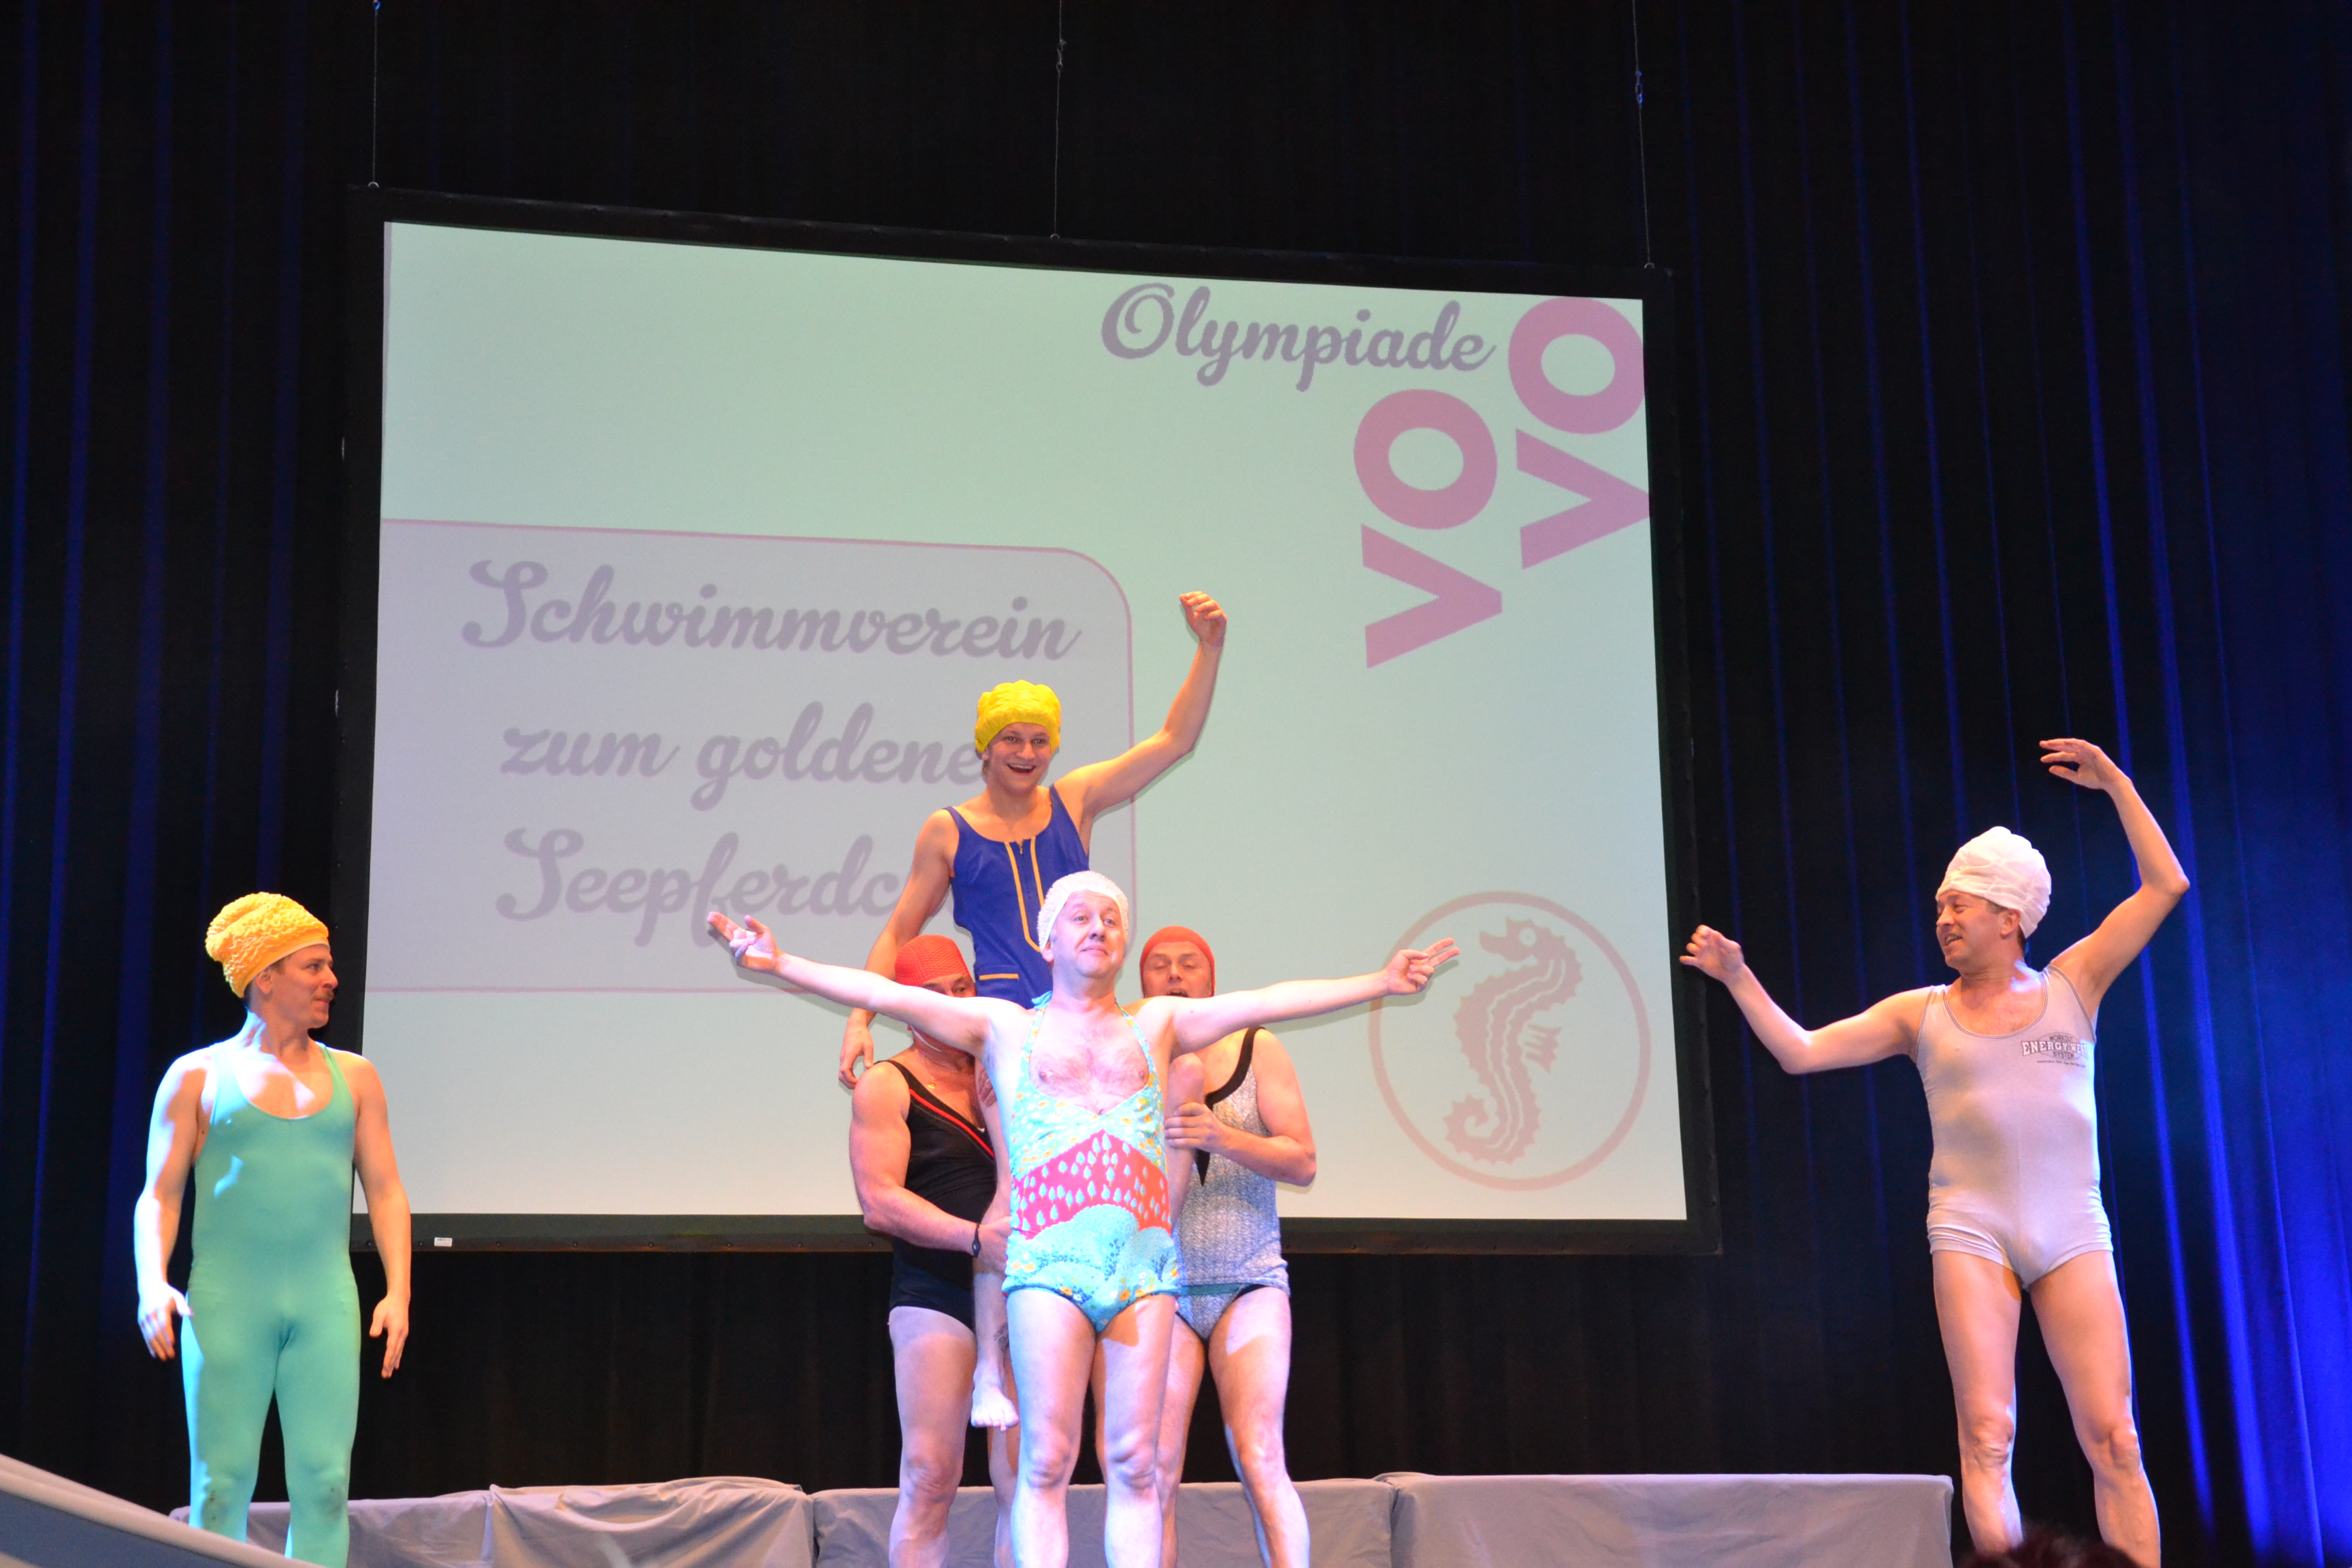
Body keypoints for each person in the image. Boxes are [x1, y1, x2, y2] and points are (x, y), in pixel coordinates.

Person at [713, 873, 1454, 1568]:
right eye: (1080, 918)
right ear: (1047, 941)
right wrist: (781, 963)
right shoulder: (1005, 1027)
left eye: (1110, 920)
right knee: (1046, 1461)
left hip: (1142, 1269)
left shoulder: (1158, 1023)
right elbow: (881, 991)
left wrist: (1380, 982)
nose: (1097, 928)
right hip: (1047, 1268)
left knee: (1135, 1462)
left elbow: (1270, 1000)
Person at [1681, 739, 2183, 1568]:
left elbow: (2165, 886)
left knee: (2117, 1437)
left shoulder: (2074, 985)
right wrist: (1738, 977)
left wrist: (2118, 785)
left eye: (1960, 905)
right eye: (1940, 906)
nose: (1943, 919)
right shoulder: (1920, 1014)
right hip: (1972, 1231)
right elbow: (1801, 1052)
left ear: (2009, 918)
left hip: (2072, 1231)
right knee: (1986, 1435)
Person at [837, 591, 1230, 1089]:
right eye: (1012, 739)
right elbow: (898, 933)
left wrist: (1210, 648)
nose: (1026, 753)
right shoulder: (948, 829)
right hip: (1004, 1033)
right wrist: (859, 1020)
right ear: (986, 747)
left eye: (1040, 741)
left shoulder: (1074, 799)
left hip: (1086, 1021)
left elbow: (1174, 740)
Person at [133, 895, 414, 1568]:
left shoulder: (356, 1078)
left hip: (325, 1306)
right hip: (227, 1305)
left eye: (330, 966)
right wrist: (152, 1283)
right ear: (265, 977)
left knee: (325, 1487)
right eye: (314, 967)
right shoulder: (197, 1076)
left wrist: (399, 1291)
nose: (331, 980)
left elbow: (385, 1190)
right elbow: (159, 1196)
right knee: (219, 1488)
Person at [1110, 925, 1316, 1568]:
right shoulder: (1121, 1057)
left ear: (1212, 980)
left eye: (1188, 964)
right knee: (1152, 1466)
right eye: (1159, 965)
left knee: (1260, 1455)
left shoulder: (1259, 1047)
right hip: (1158, 1292)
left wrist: (1221, 1137)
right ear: (1141, 982)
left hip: (1247, 1283)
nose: (1174, 975)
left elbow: (1303, 1161)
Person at [851, 934, 1018, 1568]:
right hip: (934, 1292)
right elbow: (880, 1203)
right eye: (933, 994)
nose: (951, 1003)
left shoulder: (1009, 1071)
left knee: (1025, 1480)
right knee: (929, 1473)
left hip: (1021, 1292)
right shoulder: (887, 1084)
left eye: (961, 988)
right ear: (904, 1006)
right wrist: (975, 1239)